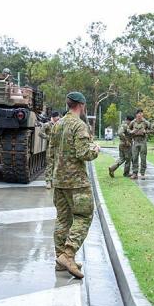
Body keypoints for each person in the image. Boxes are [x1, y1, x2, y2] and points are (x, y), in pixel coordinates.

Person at [52, 92, 100, 279]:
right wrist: (95, 149)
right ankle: (68, 254)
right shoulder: (79, 125)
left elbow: (50, 152)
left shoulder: (58, 124)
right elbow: (83, 153)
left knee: (62, 220)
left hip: (59, 180)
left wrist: (50, 177)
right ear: (81, 105)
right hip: (77, 182)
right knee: (84, 216)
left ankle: (60, 260)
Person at [128, 109, 151, 179]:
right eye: (139, 113)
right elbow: (128, 129)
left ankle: (142, 173)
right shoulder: (133, 122)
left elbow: (152, 129)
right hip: (135, 141)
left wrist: (146, 131)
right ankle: (135, 173)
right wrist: (131, 131)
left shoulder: (146, 122)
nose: (140, 115)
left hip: (143, 141)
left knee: (143, 158)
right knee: (134, 157)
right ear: (136, 114)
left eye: (141, 113)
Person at [41, 111, 61, 189]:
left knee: (56, 164)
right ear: (53, 117)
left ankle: (54, 181)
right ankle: (48, 181)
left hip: (58, 147)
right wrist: (49, 138)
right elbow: (41, 133)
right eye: (57, 117)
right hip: (50, 147)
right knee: (49, 164)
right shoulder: (47, 125)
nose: (58, 118)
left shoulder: (59, 125)